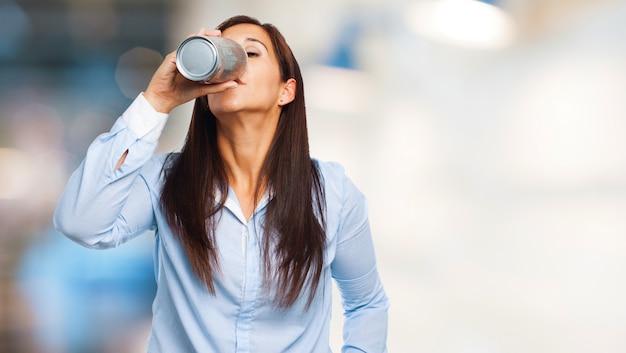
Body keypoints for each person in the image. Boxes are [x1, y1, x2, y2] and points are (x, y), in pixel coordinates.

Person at [54, 15, 389, 352]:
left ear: (285, 91)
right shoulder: (167, 180)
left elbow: (367, 303)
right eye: (225, 52)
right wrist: (157, 101)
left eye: (252, 53)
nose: (235, 63)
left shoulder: (330, 193)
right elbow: (81, 223)